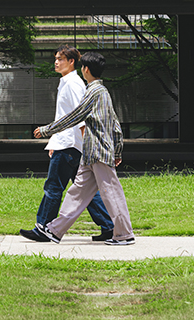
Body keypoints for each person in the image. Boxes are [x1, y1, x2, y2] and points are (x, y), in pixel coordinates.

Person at [33, 52, 135, 246]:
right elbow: (116, 125)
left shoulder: (94, 92)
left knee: (111, 193)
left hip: (98, 152)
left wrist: (47, 130)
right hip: (91, 154)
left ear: (85, 69)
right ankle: (55, 230)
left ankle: (124, 235)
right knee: (77, 193)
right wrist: (118, 151)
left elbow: (74, 116)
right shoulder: (102, 92)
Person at [19, 45, 114, 243]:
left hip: (70, 145)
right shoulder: (67, 82)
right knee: (85, 190)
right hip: (68, 144)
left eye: (60, 59)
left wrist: (83, 145)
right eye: (55, 59)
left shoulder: (73, 84)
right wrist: (55, 142)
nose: (56, 62)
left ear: (72, 62)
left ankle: (43, 227)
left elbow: (79, 116)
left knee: (53, 186)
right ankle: (109, 226)